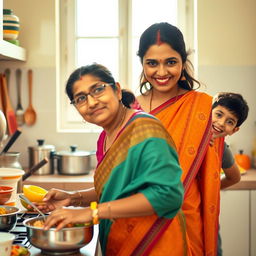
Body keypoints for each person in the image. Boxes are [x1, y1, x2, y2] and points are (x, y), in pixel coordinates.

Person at [38, 63, 187, 255]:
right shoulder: (105, 138)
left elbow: (168, 195)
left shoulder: (146, 129)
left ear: (117, 90)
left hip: (154, 242)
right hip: (120, 243)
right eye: (81, 98)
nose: (91, 103)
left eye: (98, 89)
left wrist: (92, 213)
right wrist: (73, 198)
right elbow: (114, 190)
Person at [134, 22, 224, 255]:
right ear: (142, 64)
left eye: (170, 62)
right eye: (152, 63)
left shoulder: (202, 108)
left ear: (183, 63)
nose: (161, 72)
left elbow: (209, 170)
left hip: (187, 219)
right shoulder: (129, 109)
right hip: (137, 219)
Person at [211, 92, 249, 256]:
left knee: (212, 247)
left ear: (234, 130)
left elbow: (235, 177)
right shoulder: (188, 135)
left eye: (229, 122)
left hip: (206, 212)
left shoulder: (222, 148)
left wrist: (209, 189)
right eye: (218, 114)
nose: (220, 123)